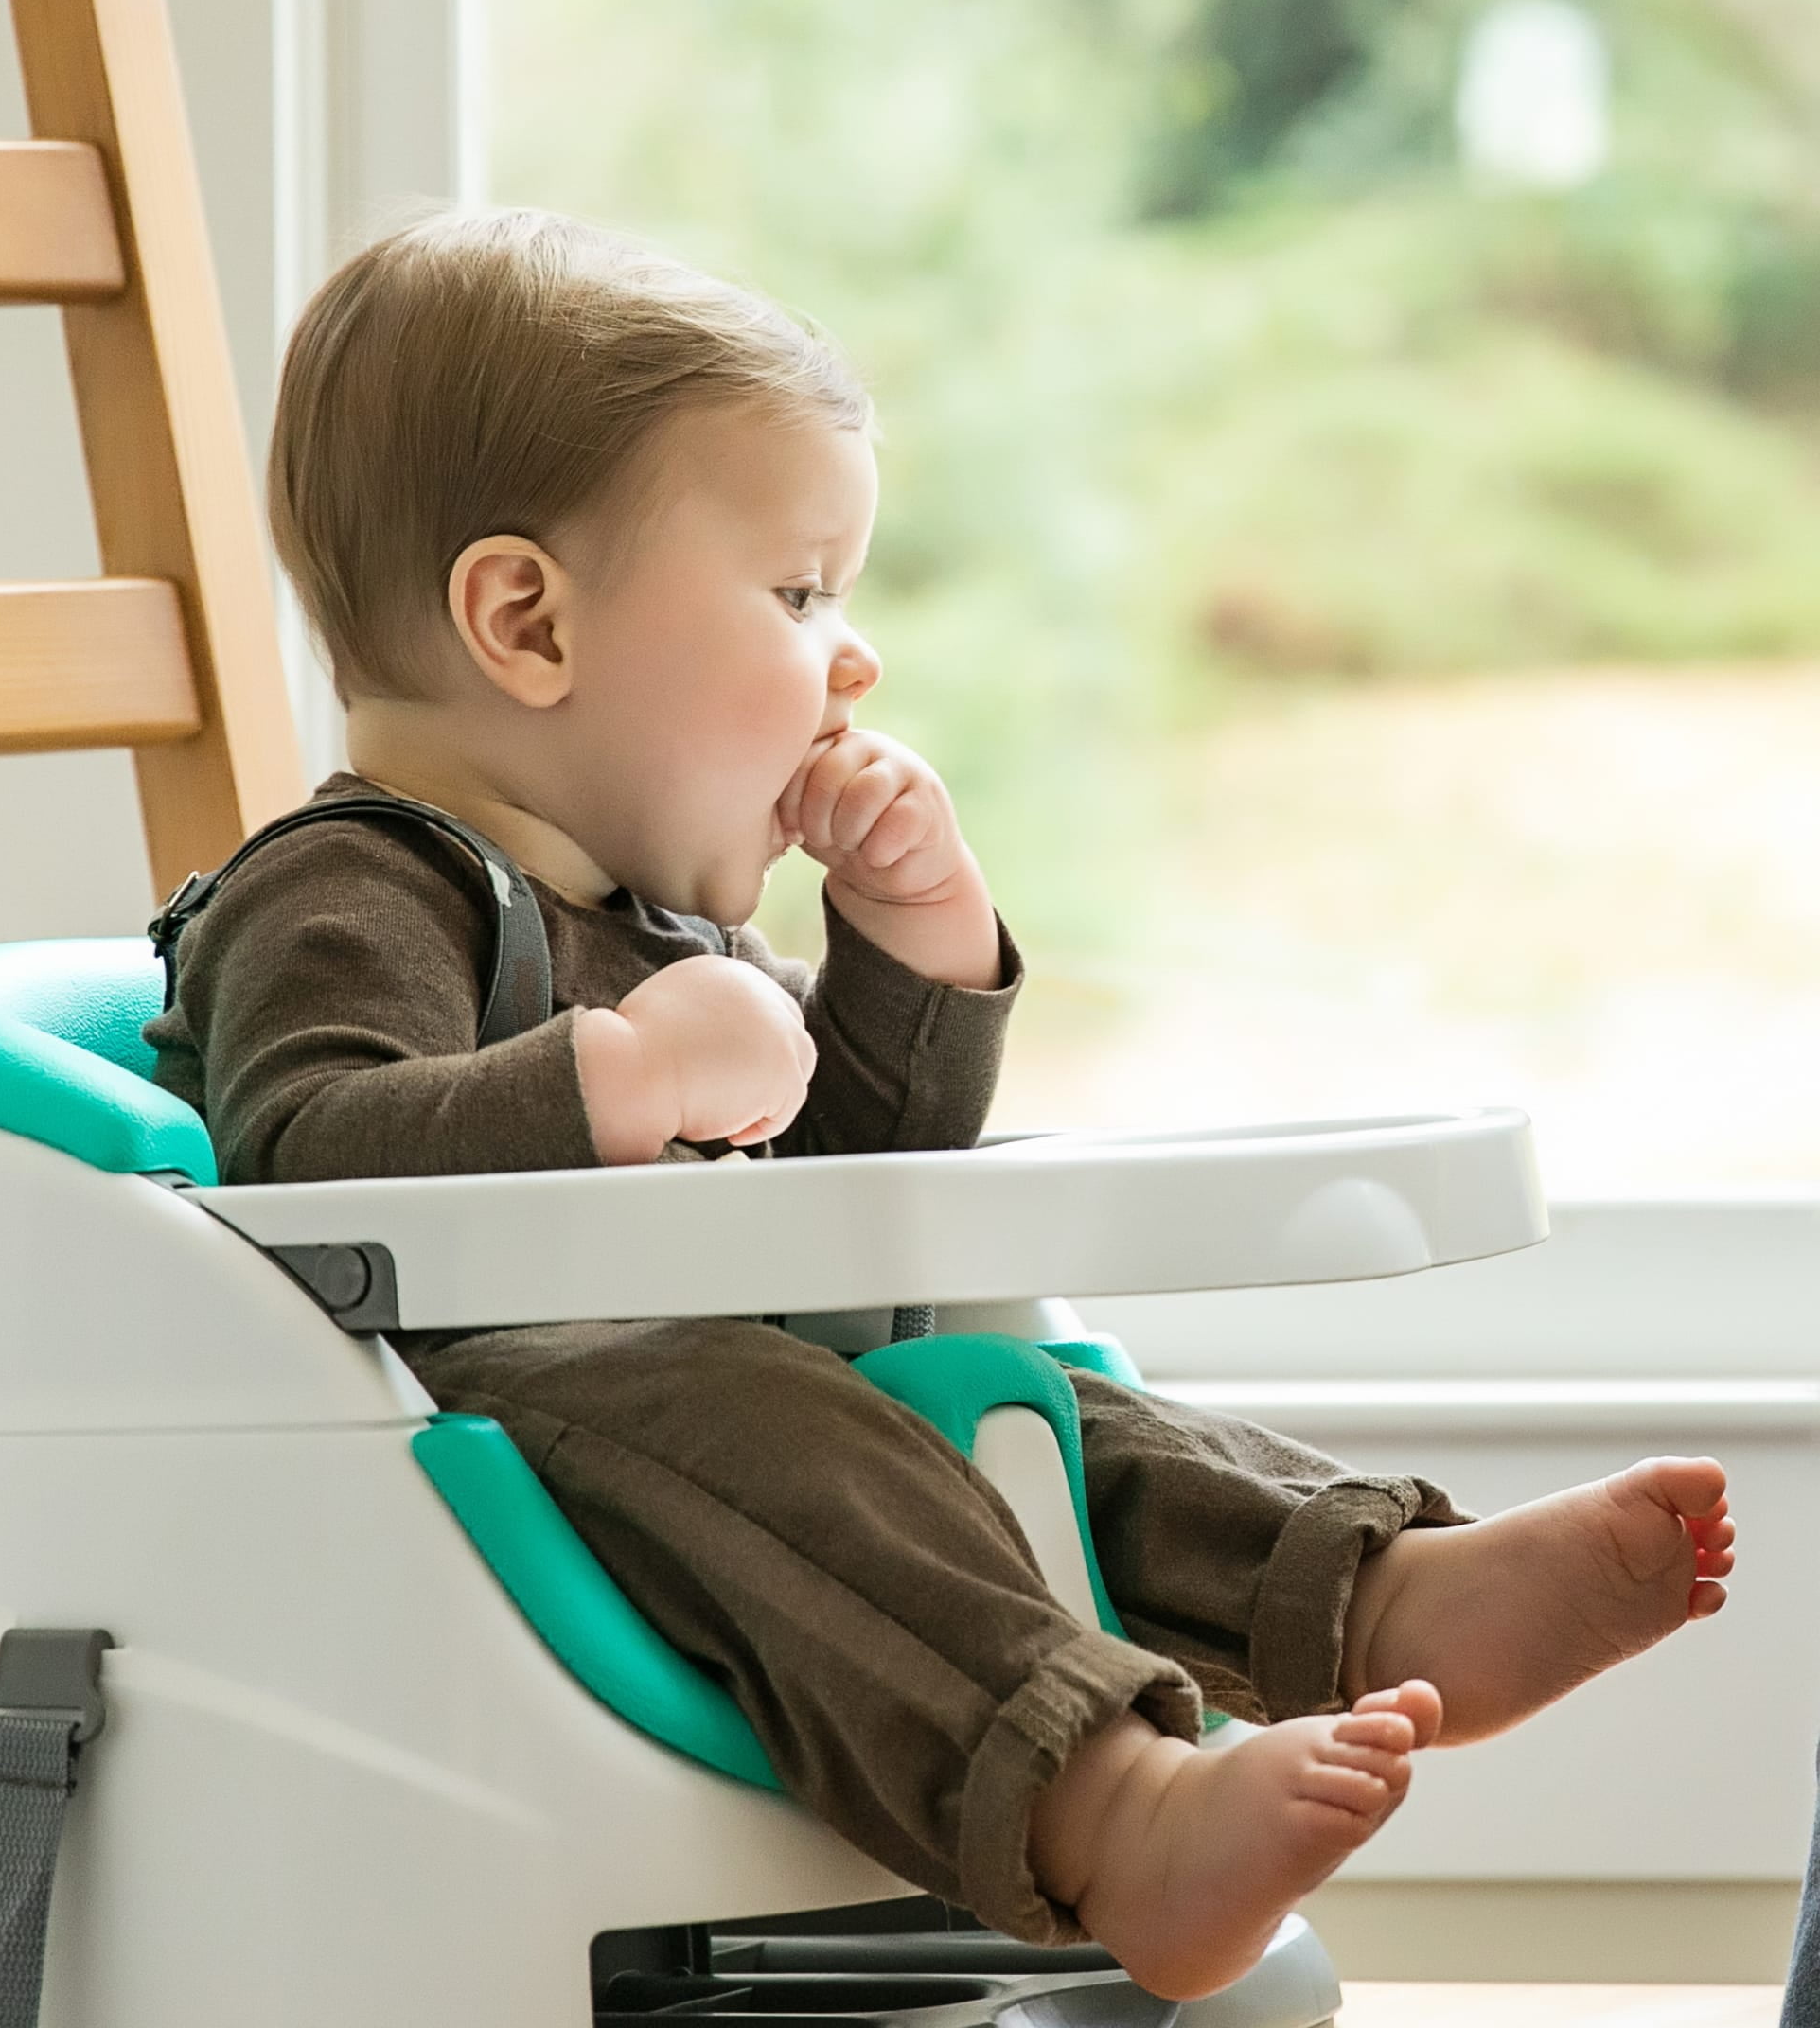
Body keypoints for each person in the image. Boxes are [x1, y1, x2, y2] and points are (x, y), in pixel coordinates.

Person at [147, 206, 1736, 2002]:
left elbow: (854, 1200)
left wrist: (907, 950)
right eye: (800, 592)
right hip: (484, 1448)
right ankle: (1115, 1808)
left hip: (717, 1406)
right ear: (525, 620)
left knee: (1018, 1403)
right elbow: (304, 1162)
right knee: (783, 1412)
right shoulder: (343, 887)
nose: (854, 657)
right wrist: (627, 1078)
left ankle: (1374, 1594)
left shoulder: (660, 916)